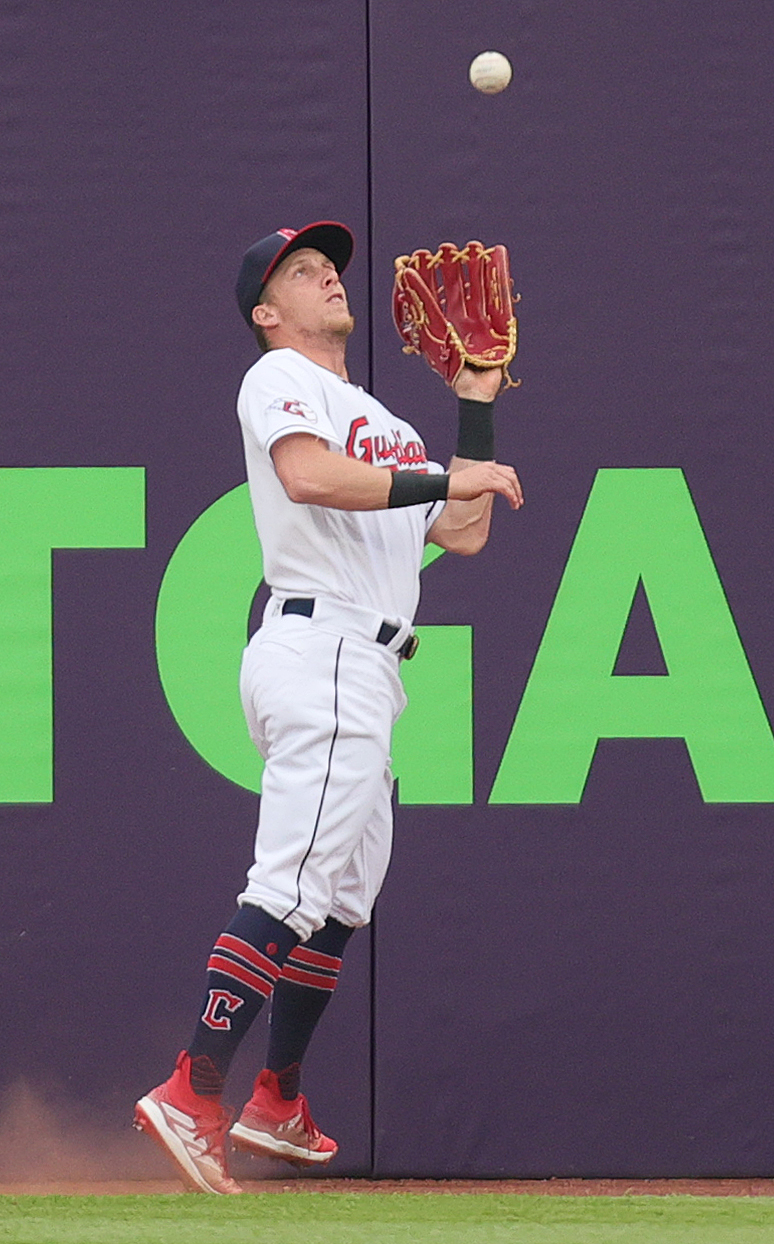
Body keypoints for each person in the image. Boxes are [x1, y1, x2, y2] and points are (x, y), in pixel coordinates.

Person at [134, 221, 523, 1194]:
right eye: (303, 272)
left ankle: (277, 1097)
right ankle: (192, 1087)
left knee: (342, 896)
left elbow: (464, 531)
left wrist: (473, 408)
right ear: (270, 313)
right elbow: (309, 475)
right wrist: (448, 471)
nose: (327, 279)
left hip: (366, 663)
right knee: (296, 881)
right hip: (324, 643)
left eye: (330, 267)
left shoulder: (382, 419)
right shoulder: (278, 379)